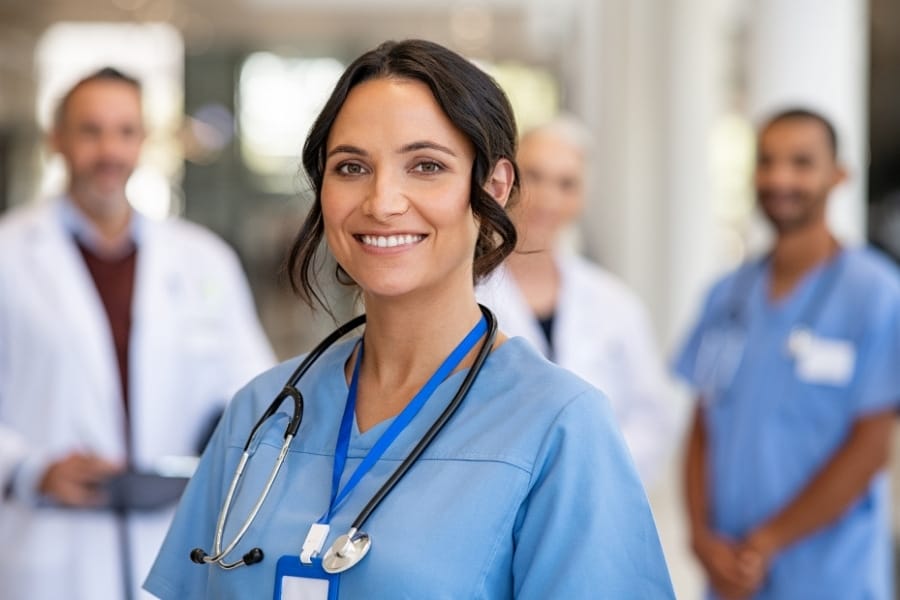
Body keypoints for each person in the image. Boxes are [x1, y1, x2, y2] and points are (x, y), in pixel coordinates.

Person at [144, 39, 675, 599]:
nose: (382, 201)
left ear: (493, 188)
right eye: (351, 167)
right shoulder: (262, 413)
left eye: (426, 166)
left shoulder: (559, 427)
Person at [0, 67, 275, 599]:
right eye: (90, 130)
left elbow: (253, 387)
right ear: (56, 139)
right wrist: (27, 469)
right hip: (49, 548)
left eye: (125, 132)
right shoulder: (8, 254)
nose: (109, 150)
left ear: (144, 142)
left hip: (172, 538)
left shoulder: (203, 260)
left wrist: (222, 435)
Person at [674, 108, 900, 599]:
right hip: (731, 576)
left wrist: (765, 544)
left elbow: (871, 449)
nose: (780, 178)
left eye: (801, 163)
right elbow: (701, 427)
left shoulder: (877, 295)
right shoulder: (727, 295)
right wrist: (699, 539)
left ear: (838, 175)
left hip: (830, 578)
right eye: (768, 161)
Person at [476, 116, 676, 487]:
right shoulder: (466, 296)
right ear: (503, 181)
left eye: (567, 184)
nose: (548, 198)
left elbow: (652, 417)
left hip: (598, 493)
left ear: (582, 197)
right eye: (534, 175)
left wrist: (595, 472)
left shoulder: (616, 304)